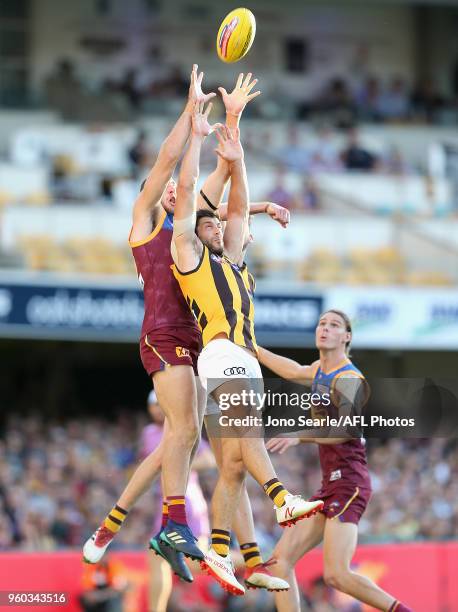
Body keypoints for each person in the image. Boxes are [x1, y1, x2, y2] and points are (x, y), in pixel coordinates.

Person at [83, 68, 291, 594]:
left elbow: (220, 182)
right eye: (176, 190)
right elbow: (171, 166)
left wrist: (233, 127)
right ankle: (171, 525)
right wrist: (190, 112)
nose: (180, 191)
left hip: (207, 343)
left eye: (186, 193)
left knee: (214, 449)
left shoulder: (196, 223)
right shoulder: (149, 220)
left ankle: (233, 555)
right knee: (183, 432)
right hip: (165, 330)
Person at [170, 92, 323, 595]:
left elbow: (237, 208)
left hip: (243, 358)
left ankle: (217, 549)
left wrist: (237, 150)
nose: (218, 225)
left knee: (233, 464)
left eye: (219, 224)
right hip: (219, 352)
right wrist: (208, 144)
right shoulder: (189, 255)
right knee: (248, 432)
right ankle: (282, 498)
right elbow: (200, 199)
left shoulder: (233, 261)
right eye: (206, 221)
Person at [257, 309, 412, 612]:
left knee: (336, 575)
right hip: (330, 484)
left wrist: (298, 435)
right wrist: (254, 348)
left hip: (349, 483)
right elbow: (292, 370)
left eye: (334, 325)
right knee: (279, 562)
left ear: (347, 337)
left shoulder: (349, 378)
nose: (325, 329)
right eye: (321, 323)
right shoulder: (319, 369)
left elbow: (346, 429)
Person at [144, 390, 214, 612]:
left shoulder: (180, 428)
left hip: (187, 501)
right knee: (157, 556)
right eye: (153, 405)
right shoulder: (152, 432)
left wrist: (181, 466)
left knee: (196, 562)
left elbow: (209, 460)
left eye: (159, 404)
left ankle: (249, 559)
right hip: (167, 502)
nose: (157, 408)